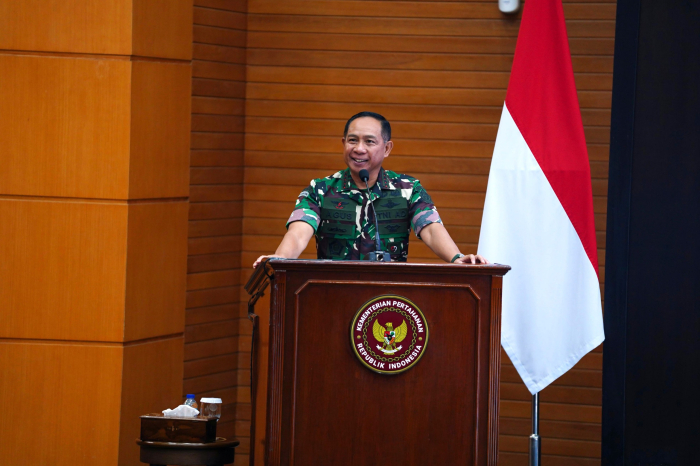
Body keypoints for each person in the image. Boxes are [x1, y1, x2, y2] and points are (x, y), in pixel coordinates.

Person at [253, 111, 489, 268]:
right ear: (343, 143)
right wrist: (279, 259)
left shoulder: (407, 189)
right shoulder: (321, 190)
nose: (359, 148)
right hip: (331, 293)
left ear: (387, 148)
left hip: (388, 298)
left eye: (369, 141)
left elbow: (430, 229)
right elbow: (299, 233)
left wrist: (456, 258)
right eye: (352, 140)